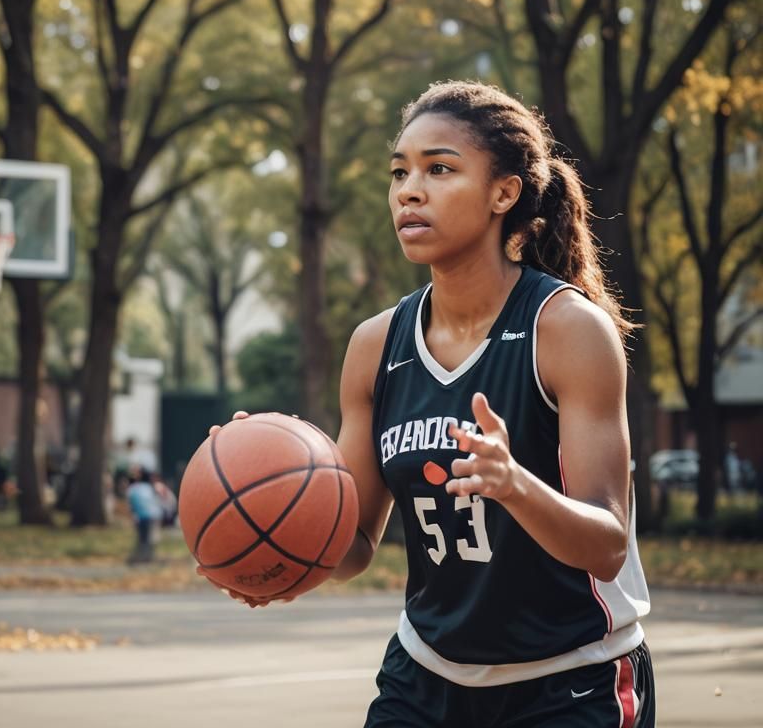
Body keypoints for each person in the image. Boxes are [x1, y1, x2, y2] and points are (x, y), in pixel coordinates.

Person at [200, 81, 654, 727]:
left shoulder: (567, 331)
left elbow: (607, 544)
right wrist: (271, 523)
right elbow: (353, 544)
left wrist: (513, 484)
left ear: (504, 192)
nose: (409, 190)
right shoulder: (376, 346)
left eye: (440, 169)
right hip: (426, 678)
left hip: (570, 678)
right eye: (399, 172)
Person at [126, 466, 162, 564]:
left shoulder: (132, 489)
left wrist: (133, 516)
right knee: (150, 538)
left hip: (142, 516)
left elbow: (132, 505)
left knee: (143, 538)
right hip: (154, 515)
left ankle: (142, 557)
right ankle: (148, 557)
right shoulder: (149, 488)